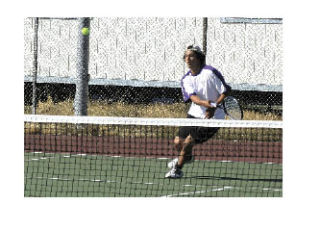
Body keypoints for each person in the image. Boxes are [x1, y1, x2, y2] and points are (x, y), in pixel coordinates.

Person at [165, 45, 231, 178]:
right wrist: (205, 104)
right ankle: (187, 157)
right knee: (178, 142)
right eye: (186, 56)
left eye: (191, 56)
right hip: (195, 113)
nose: (188, 59)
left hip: (214, 117)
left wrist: (214, 107)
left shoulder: (210, 72)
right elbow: (193, 97)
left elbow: (226, 90)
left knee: (189, 142)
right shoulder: (186, 79)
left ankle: (177, 169)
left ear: (199, 58)